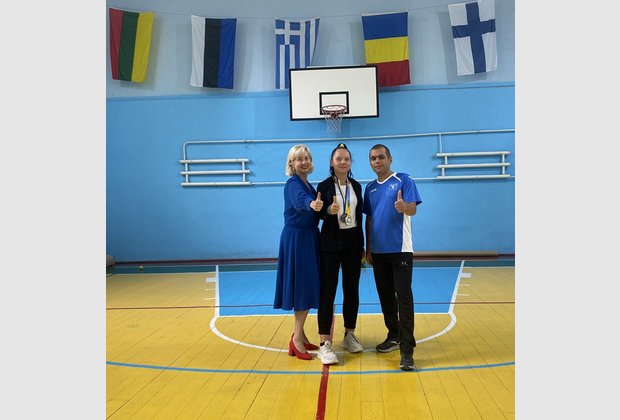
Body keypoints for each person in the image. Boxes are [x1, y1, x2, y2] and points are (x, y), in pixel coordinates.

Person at [363, 144, 422, 371]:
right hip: (378, 253)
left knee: (404, 298)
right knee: (386, 297)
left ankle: (407, 352)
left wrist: (404, 206)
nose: (377, 161)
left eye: (381, 157)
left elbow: (413, 209)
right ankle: (394, 335)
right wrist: (368, 247)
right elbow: (369, 219)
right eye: (373, 158)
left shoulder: (404, 180)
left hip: (401, 250)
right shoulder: (370, 188)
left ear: (390, 159)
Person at [315, 143, 365, 365]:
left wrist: (363, 245)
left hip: (353, 243)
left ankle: (349, 335)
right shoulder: (324, 186)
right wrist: (328, 210)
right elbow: (317, 214)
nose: (343, 162)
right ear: (331, 162)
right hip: (330, 243)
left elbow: (359, 217)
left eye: (346, 159)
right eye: (339, 159)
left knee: (351, 289)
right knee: (328, 291)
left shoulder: (357, 186)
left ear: (350, 162)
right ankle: (324, 343)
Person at [273, 144, 324, 360]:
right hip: (298, 239)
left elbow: (314, 207)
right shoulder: (293, 183)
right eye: (299, 159)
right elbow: (300, 200)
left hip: (308, 237)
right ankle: (296, 339)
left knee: (306, 286)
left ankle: (300, 335)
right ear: (291, 164)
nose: (303, 162)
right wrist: (312, 204)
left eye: (306, 158)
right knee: (302, 288)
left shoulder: (308, 184)